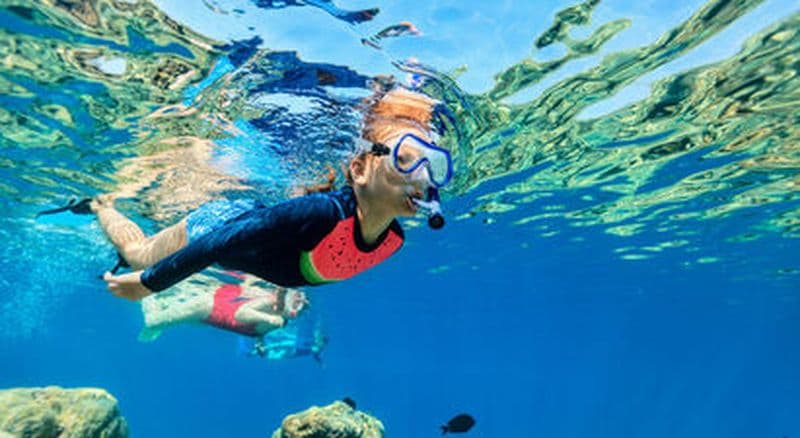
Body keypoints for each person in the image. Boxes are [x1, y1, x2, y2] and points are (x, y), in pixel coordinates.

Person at [58, 87, 451, 301]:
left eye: (432, 165)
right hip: (216, 226)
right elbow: (221, 240)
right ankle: (101, 203)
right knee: (137, 254)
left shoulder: (394, 240)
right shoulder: (318, 213)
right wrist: (151, 282)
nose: (421, 177)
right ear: (361, 168)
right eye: (406, 158)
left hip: (245, 252)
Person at [138, 271, 308, 341]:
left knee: (174, 314)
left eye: (300, 306)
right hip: (208, 307)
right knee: (152, 321)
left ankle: (162, 303)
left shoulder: (280, 320)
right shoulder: (272, 309)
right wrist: (269, 318)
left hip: (212, 313)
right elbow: (241, 314)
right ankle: (144, 291)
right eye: (298, 300)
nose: (300, 304)